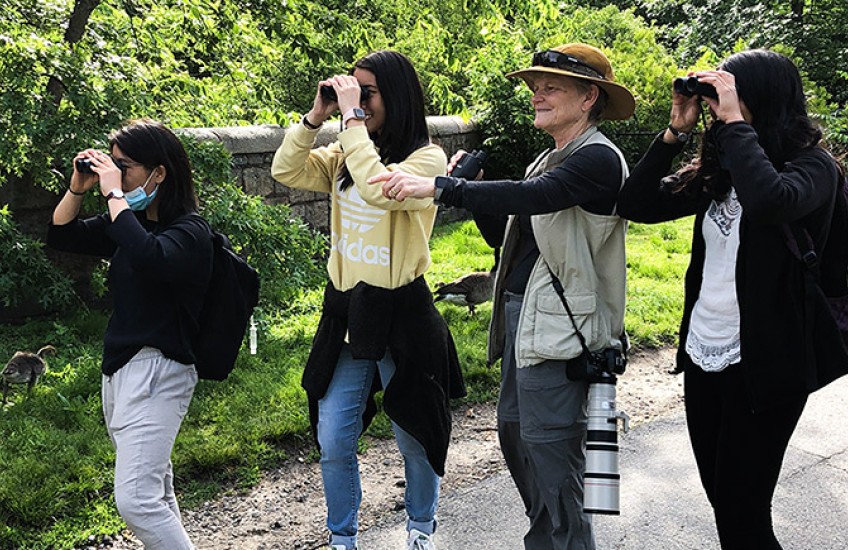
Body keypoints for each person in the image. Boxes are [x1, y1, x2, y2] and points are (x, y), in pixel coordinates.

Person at [369, 43, 634, 549]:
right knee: (519, 444)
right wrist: (481, 191)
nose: (537, 95)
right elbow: (509, 240)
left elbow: (538, 197)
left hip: (564, 334)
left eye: (550, 86)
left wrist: (443, 187)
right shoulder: (548, 158)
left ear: (589, 98)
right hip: (527, 325)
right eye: (535, 86)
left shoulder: (597, 158)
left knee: (555, 462)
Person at [616, 49, 847, 549]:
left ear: (759, 98)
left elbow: (769, 201)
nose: (719, 104)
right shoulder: (720, 171)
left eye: (729, 91)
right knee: (724, 502)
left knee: (743, 512)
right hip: (705, 354)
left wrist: (735, 124)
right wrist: (675, 132)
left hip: (768, 365)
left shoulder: (814, 169)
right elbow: (635, 204)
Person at [270, 50, 465, 550]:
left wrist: (350, 122)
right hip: (347, 311)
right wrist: (317, 116)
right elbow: (285, 170)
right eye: (350, 92)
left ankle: (421, 529)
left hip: (401, 312)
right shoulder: (343, 154)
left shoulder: (427, 160)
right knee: (333, 436)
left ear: (395, 97)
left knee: (413, 435)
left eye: (367, 92)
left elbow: (380, 191)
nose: (354, 102)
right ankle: (342, 538)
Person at [46, 119, 213, 549]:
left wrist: (114, 193)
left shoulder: (190, 232)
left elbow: (152, 258)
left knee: (137, 498)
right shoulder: (129, 222)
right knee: (155, 490)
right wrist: (79, 186)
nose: (115, 174)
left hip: (162, 368)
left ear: (159, 173)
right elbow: (61, 235)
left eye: (126, 166)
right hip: (120, 370)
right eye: (113, 164)